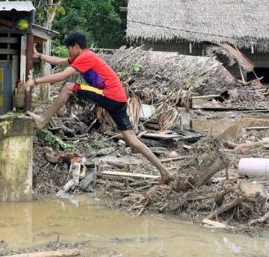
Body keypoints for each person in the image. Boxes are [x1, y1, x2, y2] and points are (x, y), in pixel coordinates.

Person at [26, 31, 174, 184]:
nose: (68, 52)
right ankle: (165, 172)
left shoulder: (85, 57)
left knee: (68, 87)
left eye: (69, 48)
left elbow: (62, 76)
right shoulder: (83, 56)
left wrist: (35, 81)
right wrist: (39, 56)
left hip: (109, 95)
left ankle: (43, 121)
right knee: (131, 139)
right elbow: (61, 61)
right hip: (119, 99)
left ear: (75, 46)